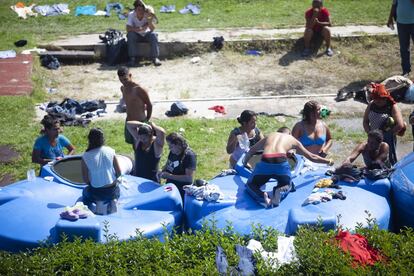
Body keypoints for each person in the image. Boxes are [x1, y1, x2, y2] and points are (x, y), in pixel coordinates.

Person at [243, 130, 333, 208]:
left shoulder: (270, 135)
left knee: (250, 185)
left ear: (278, 132)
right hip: (281, 162)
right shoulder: (292, 139)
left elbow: (251, 151)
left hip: (266, 160)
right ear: (289, 133)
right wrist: (328, 161)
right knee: (288, 184)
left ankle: (262, 196)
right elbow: (312, 156)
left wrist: (244, 163)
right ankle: (280, 191)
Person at [81, 128, 122, 214]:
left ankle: (99, 202)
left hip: (97, 190)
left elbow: (85, 179)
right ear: (103, 139)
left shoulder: (86, 156)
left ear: (89, 140)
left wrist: (93, 183)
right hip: (112, 188)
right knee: (117, 190)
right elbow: (119, 172)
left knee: (85, 192)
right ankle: (113, 200)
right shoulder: (110, 151)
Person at [363, 83, 405, 165]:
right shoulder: (371, 104)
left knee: (387, 158)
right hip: (373, 137)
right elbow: (365, 121)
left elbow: (400, 125)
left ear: (386, 98)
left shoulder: (392, 106)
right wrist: (369, 133)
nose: (378, 101)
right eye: (376, 99)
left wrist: (386, 135)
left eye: (381, 99)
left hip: (387, 136)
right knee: (372, 156)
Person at [117, 66, 153, 146]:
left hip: (140, 122)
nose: (123, 82)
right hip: (129, 122)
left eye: (125, 79)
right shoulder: (122, 88)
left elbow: (149, 105)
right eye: (121, 80)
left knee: (143, 145)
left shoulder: (138, 89)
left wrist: (147, 120)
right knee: (134, 145)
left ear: (130, 75)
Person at [158, 132, 197, 200]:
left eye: (171, 146)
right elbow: (168, 164)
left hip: (181, 192)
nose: (169, 148)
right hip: (170, 189)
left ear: (178, 144)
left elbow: (189, 178)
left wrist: (169, 176)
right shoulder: (173, 152)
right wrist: (162, 171)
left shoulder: (189, 155)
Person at [126, 0, 161, 66]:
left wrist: (149, 20)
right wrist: (138, 29)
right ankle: (132, 59)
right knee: (130, 35)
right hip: (136, 34)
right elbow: (128, 28)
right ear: (135, 10)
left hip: (147, 34)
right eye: (139, 10)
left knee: (154, 35)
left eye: (142, 10)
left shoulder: (148, 14)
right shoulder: (131, 14)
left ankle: (155, 58)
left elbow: (152, 29)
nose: (141, 12)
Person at [387, 0, 414, 76]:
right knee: (404, 48)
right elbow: (394, 4)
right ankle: (406, 71)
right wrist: (390, 18)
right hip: (401, 23)